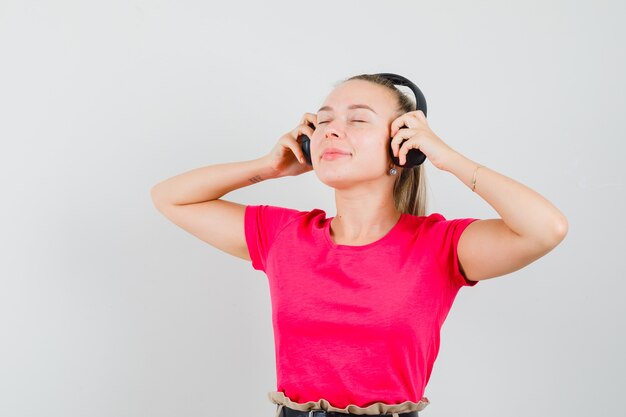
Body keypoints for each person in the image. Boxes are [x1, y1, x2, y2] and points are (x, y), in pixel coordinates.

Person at [150, 73, 569, 417]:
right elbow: (169, 196)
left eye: (358, 120)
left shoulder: (439, 246)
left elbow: (545, 228)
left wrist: (448, 157)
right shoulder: (283, 237)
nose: (331, 129)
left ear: (402, 147)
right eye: (324, 120)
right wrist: (266, 167)